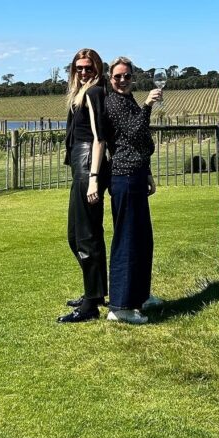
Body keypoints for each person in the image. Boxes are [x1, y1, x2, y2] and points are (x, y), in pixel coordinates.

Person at [104, 57, 163, 325]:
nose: (123, 81)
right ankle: (120, 307)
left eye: (127, 76)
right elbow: (135, 131)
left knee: (142, 239)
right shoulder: (114, 102)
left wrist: (147, 172)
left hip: (136, 174)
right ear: (110, 78)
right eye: (118, 76)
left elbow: (140, 143)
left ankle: (140, 295)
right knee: (127, 241)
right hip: (124, 177)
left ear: (133, 77)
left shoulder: (127, 100)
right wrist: (148, 105)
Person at [57, 47, 110, 324]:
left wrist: (93, 178)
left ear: (97, 68)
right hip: (81, 163)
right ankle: (95, 292)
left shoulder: (94, 93)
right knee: (76, 235)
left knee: (86, 236)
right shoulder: (81, 93)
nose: (84, 72)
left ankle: (91, 303)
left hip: (88, 164)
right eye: (79, 68)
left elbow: (99, 137)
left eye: (89, 68)